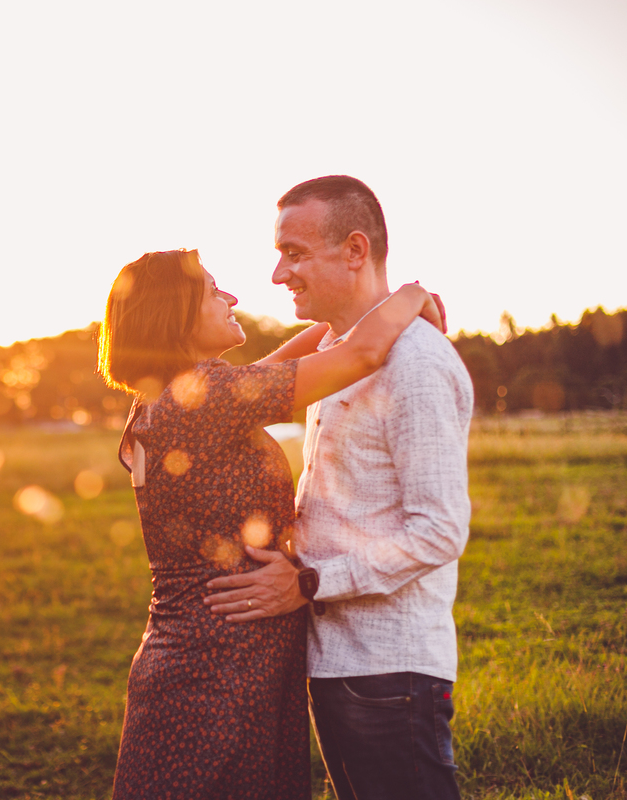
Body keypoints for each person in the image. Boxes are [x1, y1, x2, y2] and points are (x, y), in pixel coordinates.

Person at [100, 248, 445, 800]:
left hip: (208, 658)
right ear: (176, 312)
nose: (231, 297)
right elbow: (361, 354)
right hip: (218, 670)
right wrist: (411, 295)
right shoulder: (202, 401)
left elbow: (288, 361)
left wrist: (347, 314)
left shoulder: (175, 399)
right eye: (213, 290)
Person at [204, 176, 474, 800]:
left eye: (294, 253)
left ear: (355, 250)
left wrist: (308, 582)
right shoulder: (337, 352)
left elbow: (439, 532)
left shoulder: (416, 364)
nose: (279, 274)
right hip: (337, 661)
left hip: (390, 671)